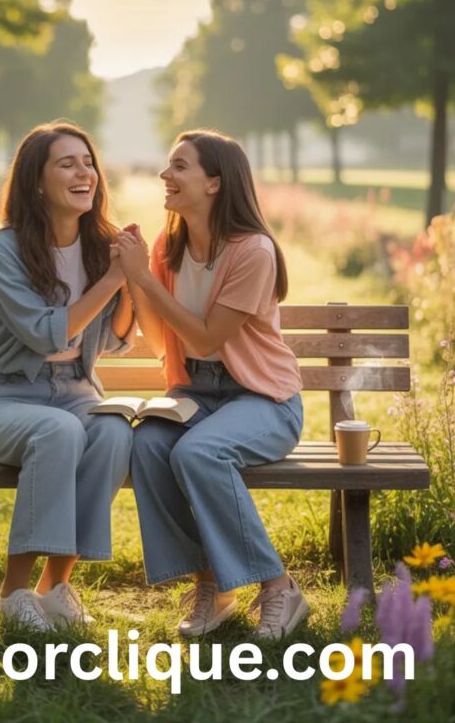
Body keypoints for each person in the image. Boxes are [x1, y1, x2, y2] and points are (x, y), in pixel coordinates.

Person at [113, 129, 307, 639]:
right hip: (195, 392)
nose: (165, 175)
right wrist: (135, 276)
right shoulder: (168, 247)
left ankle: (278, 586)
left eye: (180, 166)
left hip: (262, 398)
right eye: (168, 164)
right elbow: (163, 340)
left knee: (197, 453)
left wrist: (147, 280)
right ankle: (213, 586)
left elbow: (205, 336)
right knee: (148, 444)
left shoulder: (254, 252)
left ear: (215, 183)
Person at [0, 122, 135, 629]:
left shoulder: (99, 244)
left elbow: (113, 339)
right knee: (57, 430)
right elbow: (46, 335)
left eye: (88, 162)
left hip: (78, 394)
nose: (84, 172)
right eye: (67, 163)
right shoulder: (4, 249)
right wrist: (112, 280)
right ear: (37, 181)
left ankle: (56, 588)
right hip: (6, 400)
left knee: (111, 431)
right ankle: (12, 594)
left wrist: (131, 282)